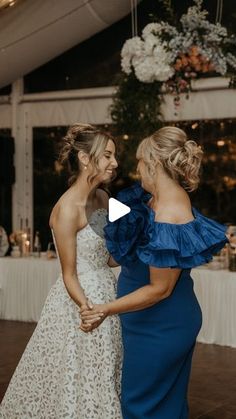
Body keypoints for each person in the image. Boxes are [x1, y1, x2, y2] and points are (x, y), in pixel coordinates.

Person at [80, 126, 228, 419]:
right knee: (161, 404)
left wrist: (105, 309)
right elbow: (133, 249)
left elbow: (160, 289)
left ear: (154, 163)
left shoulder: (170, 212)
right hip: (146, 322)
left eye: (139, 161)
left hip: (161, 326)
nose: (135, 168)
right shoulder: (151, 201)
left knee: (142, 406)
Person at [0, 123, 122, 419]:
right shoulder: (67, 208)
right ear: (84, 159)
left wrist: (135, 243)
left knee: (105, 369)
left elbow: (110, 259)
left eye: (114, 156)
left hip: (109, 295)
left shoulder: (105, 199)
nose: (115, 163)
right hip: (80, 303)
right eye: (107, 156)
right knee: (78, 374)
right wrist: (87, 309)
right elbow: (69, 273)